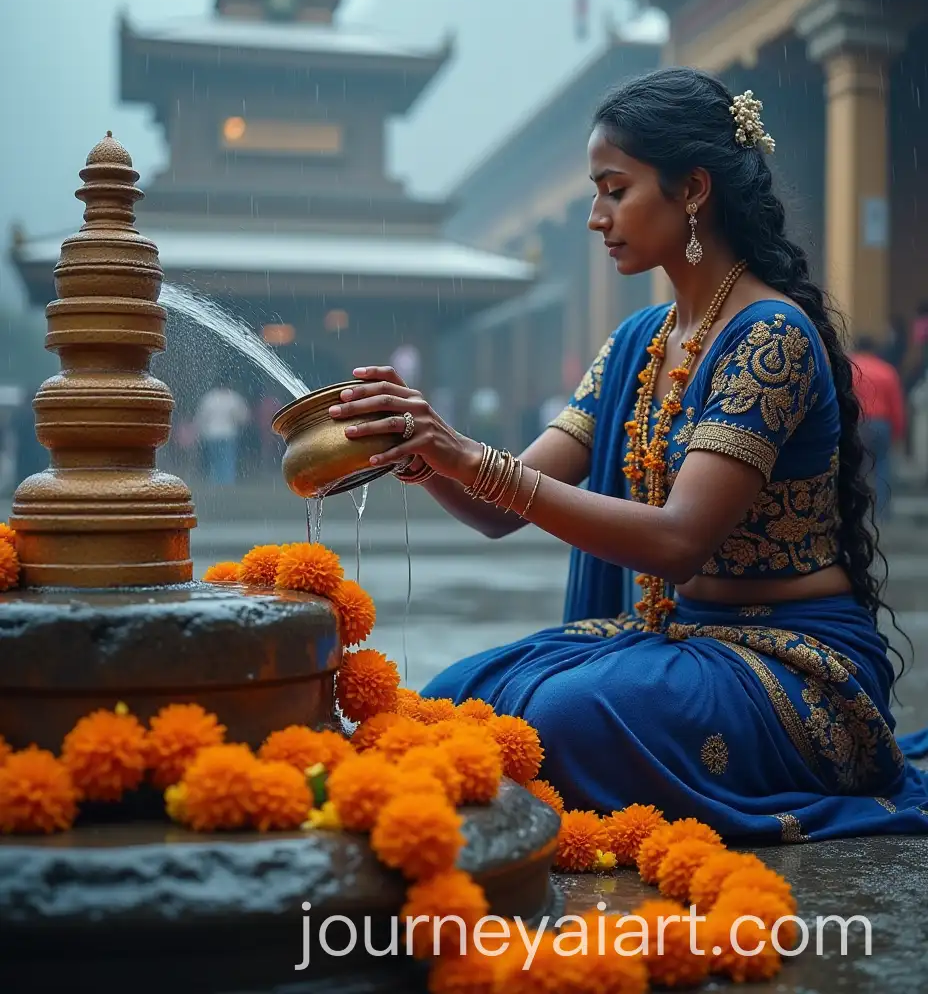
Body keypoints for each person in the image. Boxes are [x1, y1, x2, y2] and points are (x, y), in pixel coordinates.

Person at [332, 68, 928, 842]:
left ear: (692, 190)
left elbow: (679, 542)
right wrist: (422, 445)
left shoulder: (769, 337)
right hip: (676, 640)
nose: (595, 216)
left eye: (615, 189)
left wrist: (470, 458)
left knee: (554, 720)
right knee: (456, 699)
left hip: (795, 664)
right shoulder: (637, 344)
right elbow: (496, 511)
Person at [850, 336, 906, 520]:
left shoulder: (850, 368)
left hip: (857, 422)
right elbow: (896, 405)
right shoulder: (887, 371)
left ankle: (857, 509)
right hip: (881, 424)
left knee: (857, 466)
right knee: (883, 465)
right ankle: (883, 511)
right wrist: (898, 431)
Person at [195, 386, 250, 485]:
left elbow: (202, 417)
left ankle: (215, 482)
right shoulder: (233, 398)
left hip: (212, 434)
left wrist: (200, 432)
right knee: (227, 459)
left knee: (214, 459)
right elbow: (243, 417)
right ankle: (226, 481)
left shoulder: (210, 397)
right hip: (228, 434)